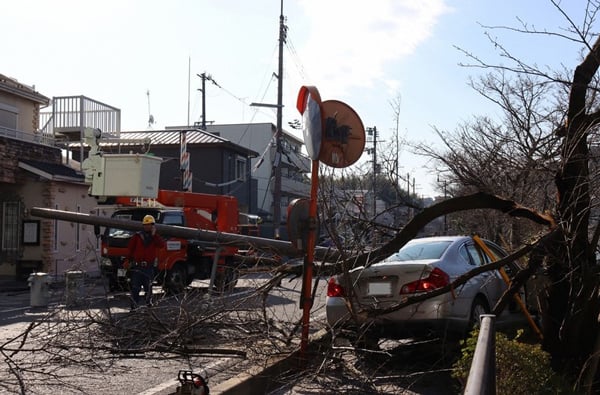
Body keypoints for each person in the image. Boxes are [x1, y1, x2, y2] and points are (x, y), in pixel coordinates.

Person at [127, 214, 165, 309]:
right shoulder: (137, 236)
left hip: (148, 267)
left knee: (148, 288)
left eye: (149, 224)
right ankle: (134, 307)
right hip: (138, 267)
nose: (147, 226)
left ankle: (149, 306)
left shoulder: (155, 238)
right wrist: (127, 260)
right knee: (135, 288)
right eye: (146, 224)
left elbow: (161, 245)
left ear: (153, 226)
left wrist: (154, 235)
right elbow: (130, 249)